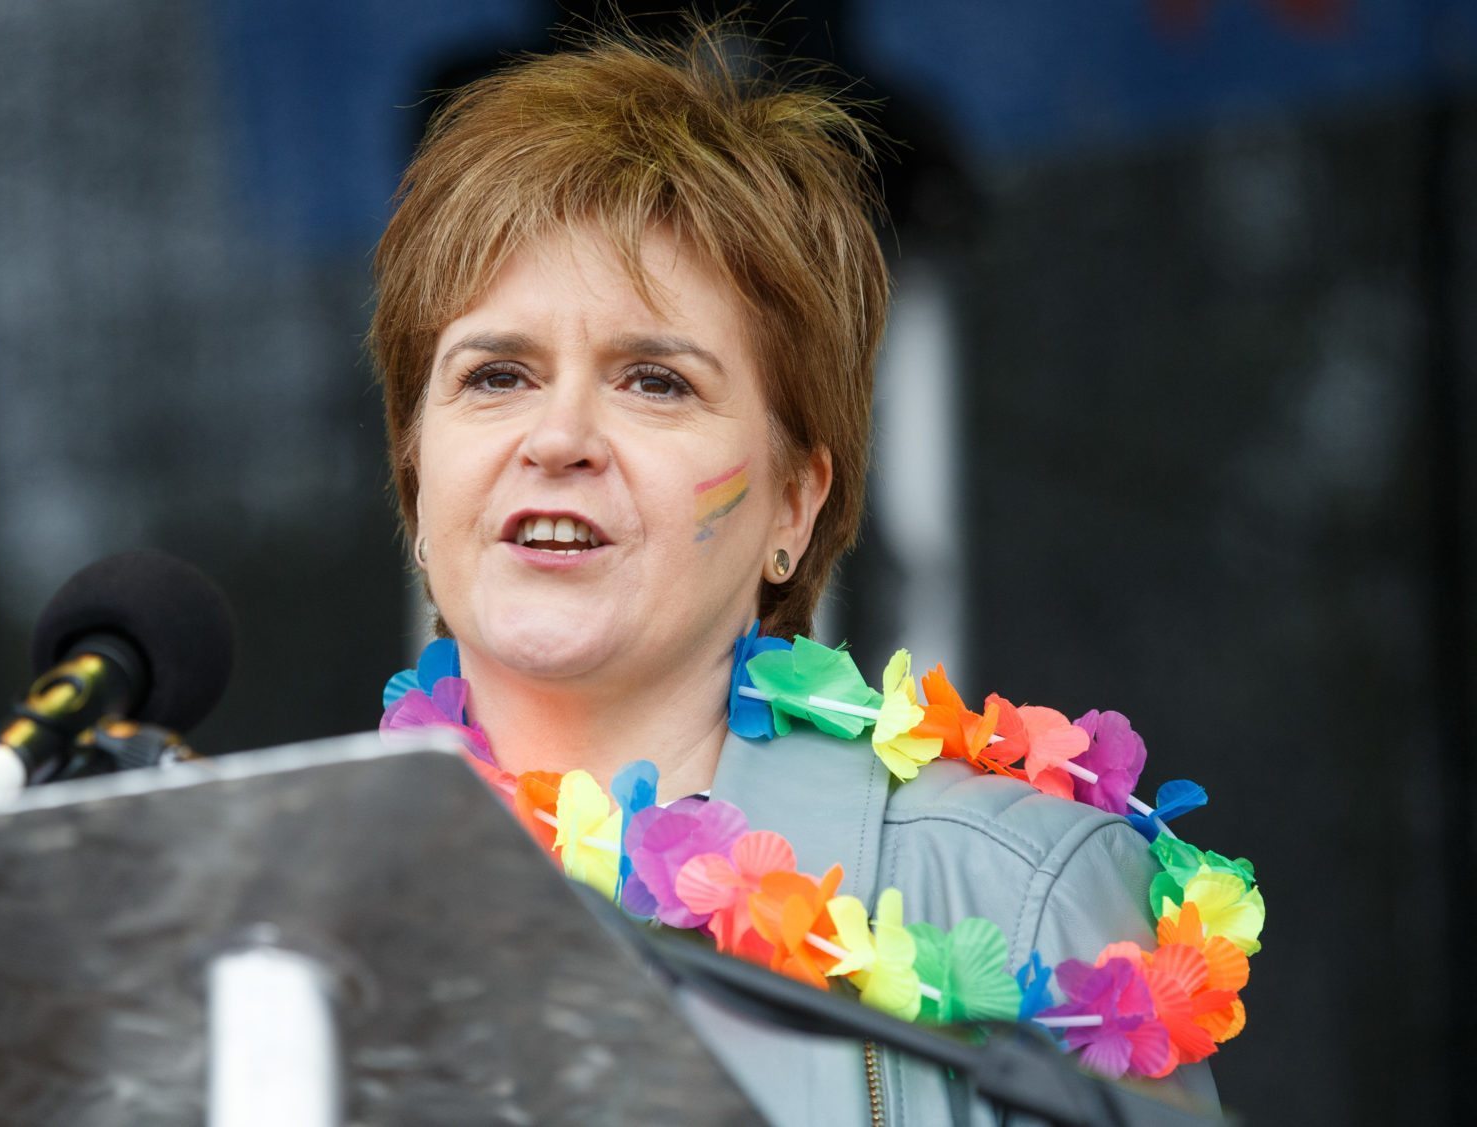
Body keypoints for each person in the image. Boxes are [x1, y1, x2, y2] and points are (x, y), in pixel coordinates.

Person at [370, 25, 1228, 1125]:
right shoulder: (283, 923)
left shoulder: (1027, 893)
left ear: (794, 502)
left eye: (653, 381)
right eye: (495, 375)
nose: (559, 436)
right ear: (416, 479)